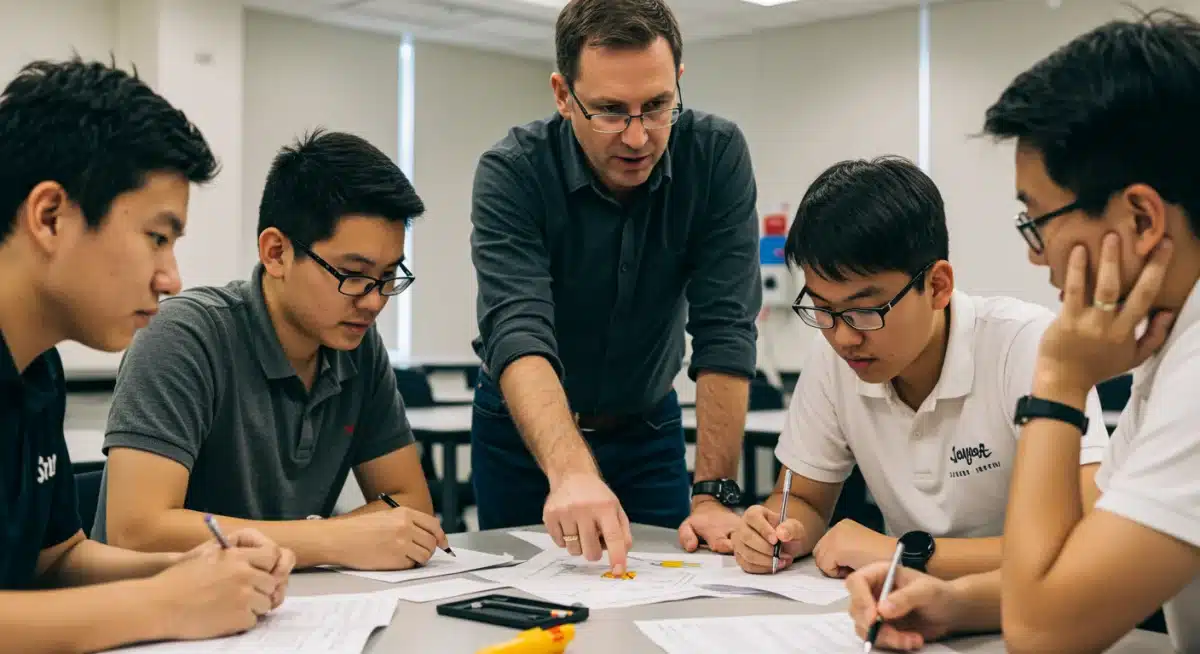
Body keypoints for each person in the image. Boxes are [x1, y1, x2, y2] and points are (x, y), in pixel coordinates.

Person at [845, 10, 1200, 654]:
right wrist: (951, 603)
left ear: (1142, 219)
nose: (1037, 257)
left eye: (1037, 220)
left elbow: (1044, 633)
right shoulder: (1174, 344)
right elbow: (1073, 567)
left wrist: (1058, 382)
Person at [0, 56, 294, 652]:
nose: (172, 278)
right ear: (50, 217)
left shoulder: (38, 368)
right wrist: (163, 605)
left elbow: (55, 561)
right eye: (157, 238)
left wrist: (197, 568)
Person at [469, 0, 761, 574]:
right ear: (561, 94)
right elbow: (517, 330)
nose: (637, 137)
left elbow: (725, 328)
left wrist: (714, 492)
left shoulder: (716, 156)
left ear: (679, 81)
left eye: (656, 107)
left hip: (647, 429)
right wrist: (571, 472)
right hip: (523, 439)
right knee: (528, 598)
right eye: (608, 111)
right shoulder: (513, 172)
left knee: (670, 591)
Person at [732, 157, 1108, 582]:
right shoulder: (833, 357)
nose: (844, 337)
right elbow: (803, 499)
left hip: (1033, 615)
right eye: (822, 309)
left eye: (866, 310)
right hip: (908, 615)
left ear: (938, 286)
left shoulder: (1024, 345)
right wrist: (776, 533)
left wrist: (902, 553)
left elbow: (1087, 539)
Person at [93, 129, 448, 572]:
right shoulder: (185, 336)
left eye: (388, 276)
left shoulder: (357, 346)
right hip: (160, 620)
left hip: (290, 606)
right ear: (276, 252)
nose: (374, 300)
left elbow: (409, 501)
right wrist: (334, 538)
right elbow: (139, 531)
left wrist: (325, 540)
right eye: (353, 274)